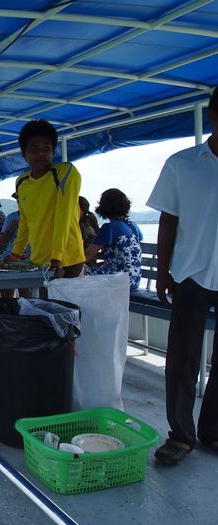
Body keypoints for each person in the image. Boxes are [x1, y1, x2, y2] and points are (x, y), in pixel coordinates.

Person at [147, 87, 218, 465]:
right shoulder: (182, 163)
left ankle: (213, 431)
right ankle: (181, 435)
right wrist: (162, 273)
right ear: (212, 117)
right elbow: (168, 220)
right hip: (190, 272)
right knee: (182, 359)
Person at [7, 119, 85, 279]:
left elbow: (64, 215)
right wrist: (15, 254)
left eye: (46, 148)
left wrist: (57, 258)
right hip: (39, 259)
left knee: (61, 304)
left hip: (68, 260)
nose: (41, 153)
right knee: (39, 303)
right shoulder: (21, 182)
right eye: (34, 149)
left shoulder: (66, 172)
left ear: (53, 151)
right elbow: (25, 222)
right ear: (24, 154)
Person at [84, 189, 143, 290]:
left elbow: (86, 256)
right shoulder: (133, 226)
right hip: (133, 280)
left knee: (75, 272)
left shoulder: (109, 228)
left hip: (117, 281)